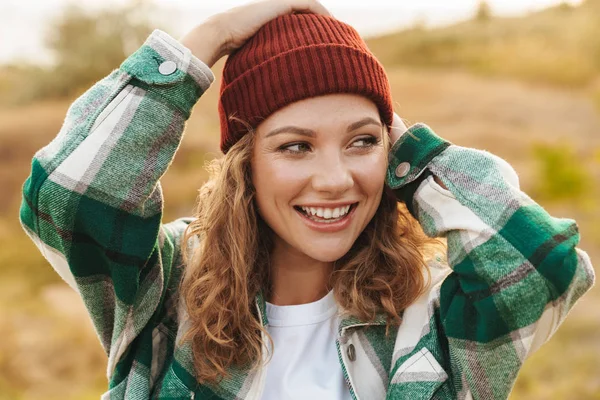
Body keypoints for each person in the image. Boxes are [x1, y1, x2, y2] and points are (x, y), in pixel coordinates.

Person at [19, 0, 595, 399]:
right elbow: (65, 197)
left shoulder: (426, 316)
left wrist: (411, 156)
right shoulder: (168, 289)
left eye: (361, 142)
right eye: (296, 147)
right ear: (245, 166)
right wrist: (211, 37)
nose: (335, 178)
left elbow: (542, 267)